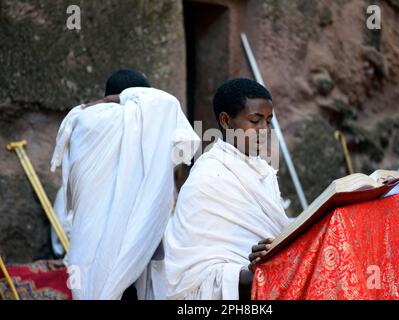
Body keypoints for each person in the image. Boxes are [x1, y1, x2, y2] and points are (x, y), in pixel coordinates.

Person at [51, 69, 200, 300]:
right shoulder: (133, 120)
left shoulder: (84, 118)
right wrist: (121, 100)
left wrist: (111, 99)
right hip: (132, 246)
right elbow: (166, 104)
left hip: (89, 247)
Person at [164, 78, 291, 300]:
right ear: (226, 120)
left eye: (269, 122)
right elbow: (189, 276)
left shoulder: (264, 171)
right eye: (255, 121)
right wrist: (248, 271)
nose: (264, 130)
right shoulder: (208, 176)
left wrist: (275, 251)